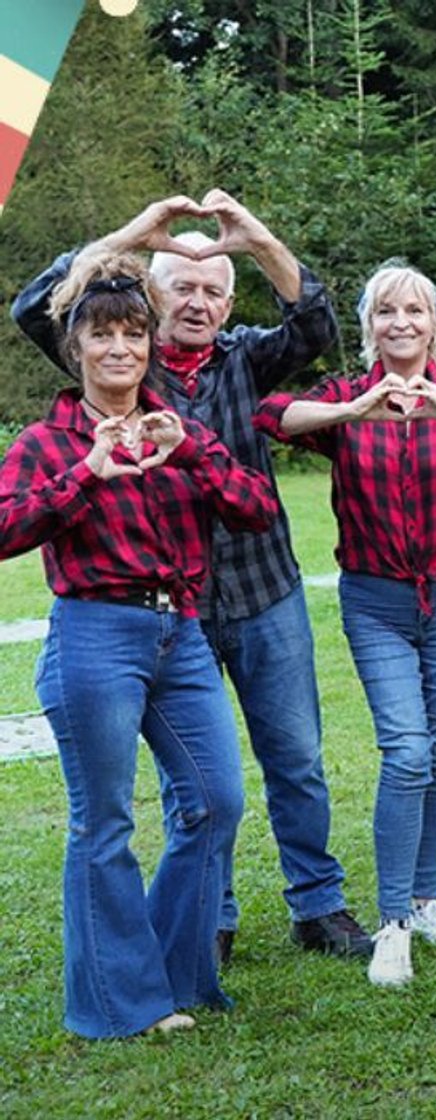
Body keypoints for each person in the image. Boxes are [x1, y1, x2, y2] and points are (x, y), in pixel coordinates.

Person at [11, 192, 371, 961]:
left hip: (264, 586)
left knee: (296, 758)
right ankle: (211, 913)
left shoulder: (248, 358)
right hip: (170, 606)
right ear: (151, 293)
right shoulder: (124, 355)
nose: (199, 301)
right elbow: (39, 304)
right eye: (182, 285)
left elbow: (316, 326)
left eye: (213, 288)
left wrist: (259, 241)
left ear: (229, 299)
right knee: (198, 779)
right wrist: (136, 233)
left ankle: (319, 902)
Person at [1, 252, 277, 1036]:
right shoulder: (50, 442)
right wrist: (86, 474)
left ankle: (170, 972)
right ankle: (121, 1005)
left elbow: (257, 510)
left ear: (150, 346)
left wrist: (191, 449)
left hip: (180, 633)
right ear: (75, 347)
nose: (119, 348)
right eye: (102, 335)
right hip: (94, 634)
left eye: (132, 334)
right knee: (105, 822)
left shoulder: (175, 431)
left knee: (217, 801)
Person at [256, 262, 436, 987]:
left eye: (415, 311)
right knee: (407, 751)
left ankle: (424, 899)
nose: (402, 323)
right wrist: (356, 413)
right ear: (370, 326)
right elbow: (272, 415)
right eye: (386, 311)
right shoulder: (350, 397)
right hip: (374, 598)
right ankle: (390, 924)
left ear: (434, 325)